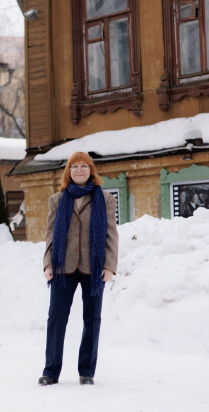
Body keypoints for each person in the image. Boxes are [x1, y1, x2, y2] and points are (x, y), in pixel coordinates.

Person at [39, 151, 119, 386]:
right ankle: (51, 371)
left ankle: (86, 371)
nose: (80, 170)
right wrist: (47, 263)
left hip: (93, 268)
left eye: (85, 166)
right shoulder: (57, 199)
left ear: (91, 171)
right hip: (63, 268)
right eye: (75, 167)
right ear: (69, 172)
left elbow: (111, 234)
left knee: (92, 319)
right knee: (56, 318)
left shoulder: (105, 199)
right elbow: (50, 234)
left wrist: (109, 265)